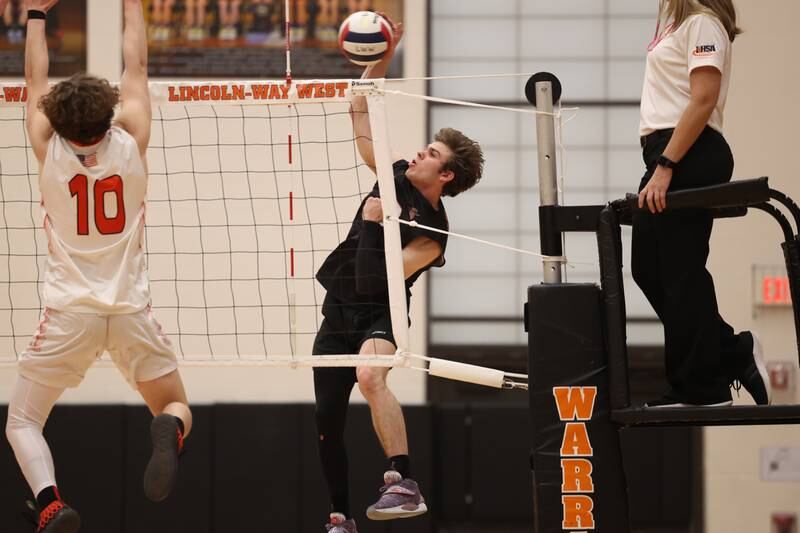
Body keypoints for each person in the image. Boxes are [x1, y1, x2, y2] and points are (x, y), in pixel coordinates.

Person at [6, 0, 192, 530]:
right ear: (108, 114)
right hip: (130, 308)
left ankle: (50, 503)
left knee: (23, 421)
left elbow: (34, 75)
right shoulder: (132, 136)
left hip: (69, 311)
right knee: (175, 405)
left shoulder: (46, 145)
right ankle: (169, 430)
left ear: (55, 119)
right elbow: (137, 64)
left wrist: (37, 13)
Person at [312, 15, 484, 533]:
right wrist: (381, 57)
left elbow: (377, 278)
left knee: (370, 376)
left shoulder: (434, 236)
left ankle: (402, 481)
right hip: (337, 312)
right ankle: (340, 516)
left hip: (380, 313)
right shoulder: (392, 176)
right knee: (326, 423)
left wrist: (372, 224)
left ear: (445, 175)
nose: (419, 153)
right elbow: (359, 110)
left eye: (431, 154)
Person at [634, 0, 770, 408]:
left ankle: (701, 386)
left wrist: (667, 164)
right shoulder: (675, 25)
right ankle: (731, 351)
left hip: (688, 151)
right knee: (649, 269)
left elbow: (704, 98)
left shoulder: (704, 24)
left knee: (679, 270)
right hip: (668, 150)